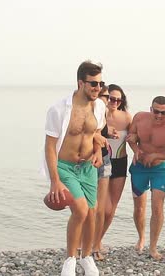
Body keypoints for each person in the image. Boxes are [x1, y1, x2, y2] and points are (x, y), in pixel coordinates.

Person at [43, 60, 106, 276]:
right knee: (80, 210)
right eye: (93, 84)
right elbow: (50, 147)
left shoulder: (99, 107)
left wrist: (98, 152)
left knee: (92, 212)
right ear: (81, 83)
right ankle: (70, 259)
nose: (98, 88)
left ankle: (86, 257)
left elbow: (97, 134)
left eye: (100, 84)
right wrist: (55, 181)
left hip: (88, 167)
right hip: (65, 167)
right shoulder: (59, 109)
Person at [127, 96, 165, 260]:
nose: (159, 115)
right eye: (156, 111)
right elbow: (131, 136)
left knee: (157, 207)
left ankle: (153, 248)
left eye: (163, 113)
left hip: (159, 170)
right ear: (151, 109)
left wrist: (157, 155)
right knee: (139, 208)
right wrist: (135, 149)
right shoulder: (139, 118)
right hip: (139, 167)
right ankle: (141, 237)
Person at [94, 84, 132, 259]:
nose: (114, 102)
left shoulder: (126, 117)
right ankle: (92, 243)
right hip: (101, 161)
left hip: (120, 163)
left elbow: (134, 138)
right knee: (99, 207)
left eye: (118, 99)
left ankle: (98, 240)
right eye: (111, 98)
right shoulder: (99, 115)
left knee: (110, 210)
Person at [91, 86, 113, 261]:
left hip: (104, 161)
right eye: (104, 96)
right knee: (87, 208)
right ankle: (83, 245)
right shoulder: (88, 111)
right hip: (87, 162)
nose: (106, 99)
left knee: (100, 208)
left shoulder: (104, 113)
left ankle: (96, 245)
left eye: (107, 96)